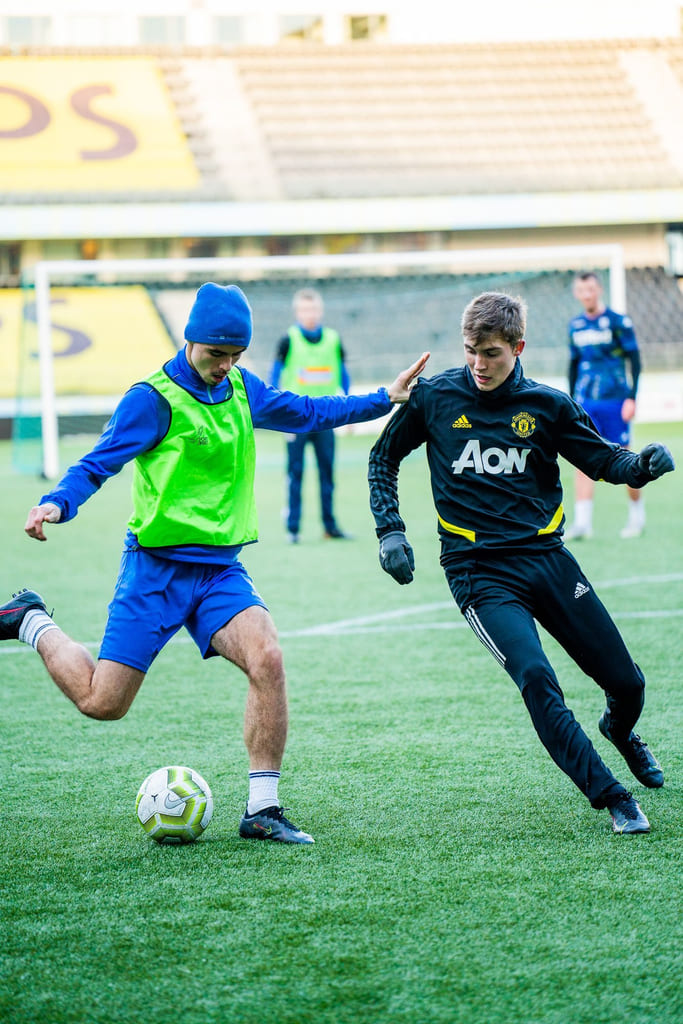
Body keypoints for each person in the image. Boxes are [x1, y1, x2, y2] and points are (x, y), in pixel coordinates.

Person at [1, 282, 429, 845]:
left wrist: (383, 397)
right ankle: (30, 618)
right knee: (101, 703)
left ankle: (263, 809)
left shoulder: (242, 388)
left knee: (267, 656)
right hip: (154, 570)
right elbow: (97, 462)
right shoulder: (150, 399)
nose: (225, 366)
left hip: (221, 572)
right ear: (190, 340)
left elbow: (307, 411)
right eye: (215, 354)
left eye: (235, 356)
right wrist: (59, 502)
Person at [368, 291, 674, 835]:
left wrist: (641, 466)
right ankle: (613, 798)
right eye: (470, 352)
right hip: (478, 571)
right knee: (536, 677)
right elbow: (382, 457)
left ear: (518, 346)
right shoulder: (435, 397)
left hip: (548, 558)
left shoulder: (548, 405)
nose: (479, 365)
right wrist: (391, 529)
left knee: (628, 685)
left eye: (491, 353)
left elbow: (603, 459)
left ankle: (621, 732)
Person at [566, 271, 644, 539]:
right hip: (586, 401)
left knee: (626, 457)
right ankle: (583, 523)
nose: (586, 294)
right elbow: (573, 365)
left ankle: (637, 516)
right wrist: (572, 400)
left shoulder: (618, 322)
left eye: (591, 289)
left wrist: (632, 397)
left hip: (615, 399)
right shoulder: (575, 325)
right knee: (581, 459)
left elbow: (635, 361)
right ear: (577, 294)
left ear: (599, 290)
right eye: (581, 290)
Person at [270, 287, 351, 543]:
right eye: (305, 309)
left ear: (321, 310)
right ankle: (293, 528)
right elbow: (274, 377)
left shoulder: (333, 339)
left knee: (327, 473)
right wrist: (277, 413)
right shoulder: (288, 340)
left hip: (326, 417)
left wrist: (348, 411)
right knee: (296, 473)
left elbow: (343, 374)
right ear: (297, 312)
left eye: (314, 308)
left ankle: (330, 526)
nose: (310, 314)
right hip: (296, 419)